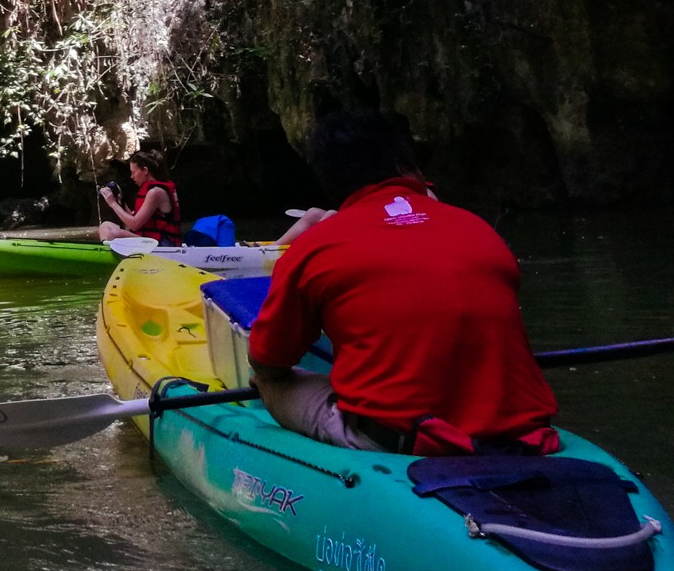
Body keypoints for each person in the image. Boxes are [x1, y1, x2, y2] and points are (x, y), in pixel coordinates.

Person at [250, 110, 559, 455]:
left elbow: (268, 358)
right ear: (404, 167)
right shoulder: (480, 229)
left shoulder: (314, 246)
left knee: (267, 380)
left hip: (408, 439)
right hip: (522, 432)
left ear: (329, 181)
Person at [96, 150, 184, 244]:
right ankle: (108, 253)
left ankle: (112, 255)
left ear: (145, 171)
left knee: (114, 234)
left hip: (163, 243)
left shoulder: (156, 193)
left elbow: (134, 225)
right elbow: (130, 223)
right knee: (105, 226)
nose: (132, 177)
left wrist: (113, 204)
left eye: (133, 172)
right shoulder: (151, 190)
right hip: (150, 239)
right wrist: (119, 202)